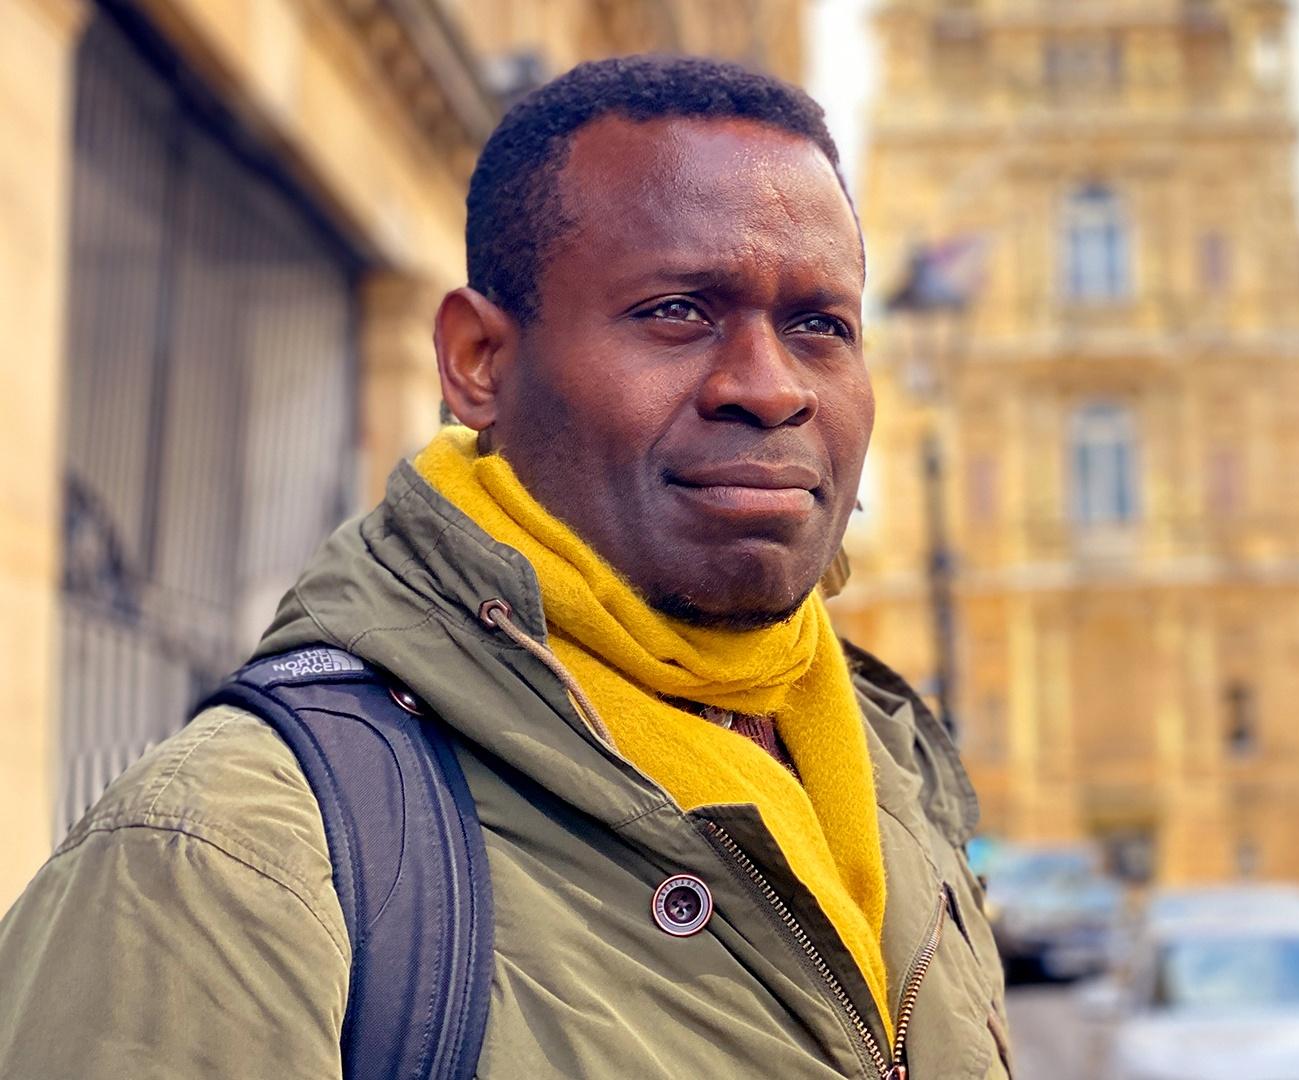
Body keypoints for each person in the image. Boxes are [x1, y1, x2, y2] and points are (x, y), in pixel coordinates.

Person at [0, 55, 1010, 1079]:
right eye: (677, 311)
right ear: (478, 361)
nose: (769, 386)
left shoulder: (897, 790)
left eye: (820, 326)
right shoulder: (227, 860)